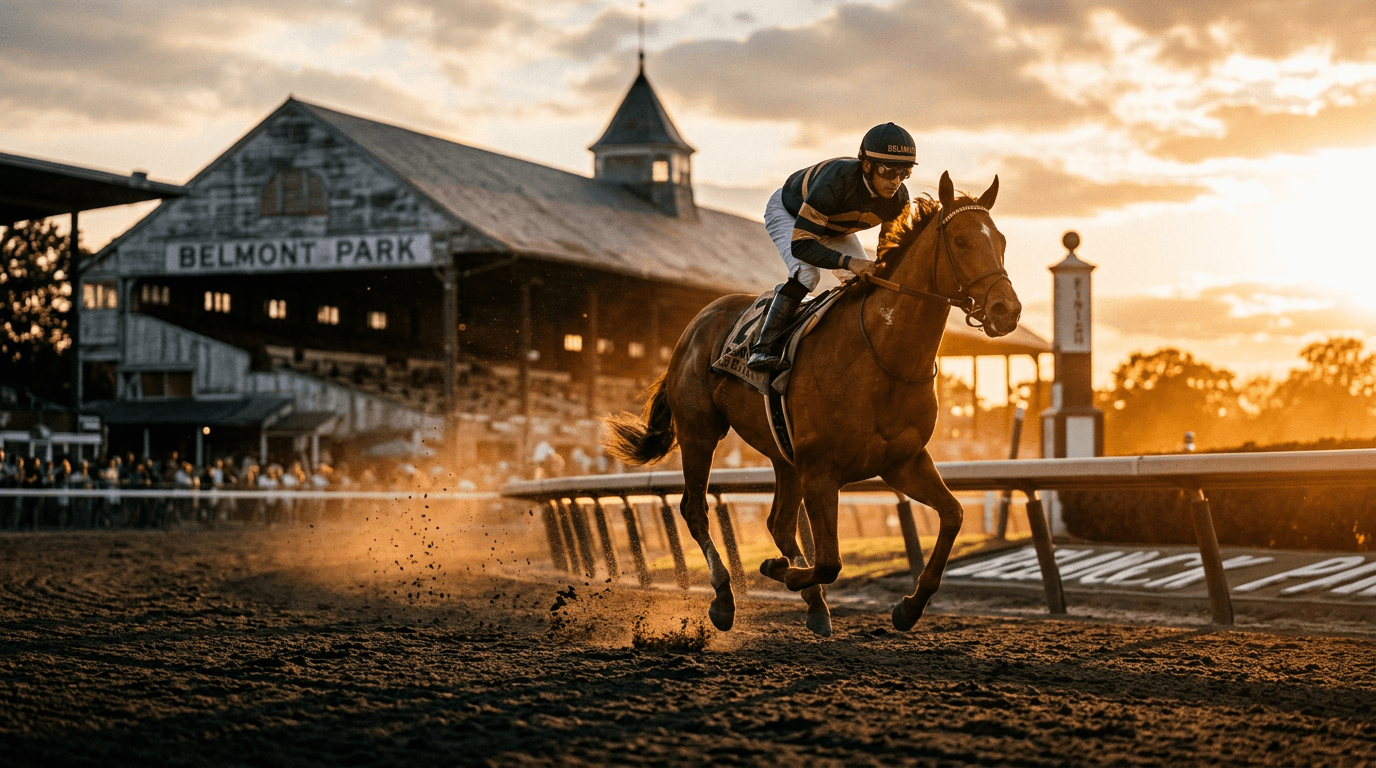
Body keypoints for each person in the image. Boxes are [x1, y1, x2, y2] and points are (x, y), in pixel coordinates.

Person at [747, 122, 918, 372]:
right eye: (888, 171)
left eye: (905, 173)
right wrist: (850, 262)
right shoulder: (835, 180)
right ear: (867, 165)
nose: (896, 182)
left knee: (866, 281)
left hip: (833, 226)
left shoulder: (899, 199)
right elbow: (803, 246)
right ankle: (763, 348)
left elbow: (889, 253)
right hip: (790, 213)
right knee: (807, 274)